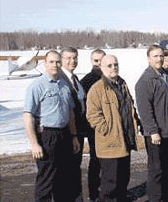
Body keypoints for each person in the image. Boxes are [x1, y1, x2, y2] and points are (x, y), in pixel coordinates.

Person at [23, 50, 80, 202]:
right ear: (44, 64)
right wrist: (34, 143)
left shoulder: (64, 84)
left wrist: (74, 137)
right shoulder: (37, 86)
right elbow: (28, 115)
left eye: (58, 62)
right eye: (52, 62)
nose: (55, 65)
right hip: (46, 136)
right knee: (46, 180)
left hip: (65, 135)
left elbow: (70, 113)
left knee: (63, 179)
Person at [86, 55, 141, 202]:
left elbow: (130, 107)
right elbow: (92, 115)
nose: (113, 68)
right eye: (109, 65)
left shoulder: (122, 84)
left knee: (123, 181)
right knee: (109, 185)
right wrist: (107, 130)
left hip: (125, 140)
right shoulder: (97, 89)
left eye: (115, 64)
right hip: (109, 144)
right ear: (102, 68)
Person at [135, 45, 168, 202]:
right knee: (156, 169)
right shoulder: (146, 80)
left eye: (161, 56)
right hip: (157, 132)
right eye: (155, 56)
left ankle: (167, 195)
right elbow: (144, 109)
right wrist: (152, 131)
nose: (159, 59)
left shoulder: (166, 75)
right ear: (149, 58)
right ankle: (155, 198)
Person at [59, 47, 85, 202]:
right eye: (68, 58)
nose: (72, 61)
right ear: (61, 59)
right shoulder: (61, 79)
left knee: (75, 170)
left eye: (74, 57)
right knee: (65, 173)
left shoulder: (75, 79)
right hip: (67, 133)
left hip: (78, 132)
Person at [80, 48, 106, 202]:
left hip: (110, 127)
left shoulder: (110, 77)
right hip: (93, 128)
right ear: (91, 61)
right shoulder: (87, 81)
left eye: (101, 60)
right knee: (96, 160)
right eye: (96, 60)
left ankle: (108, 192)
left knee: (109, 162)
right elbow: (84, 108)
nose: (98, 63)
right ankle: (94, 194)